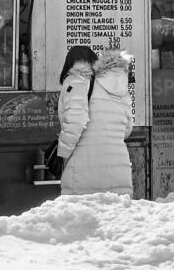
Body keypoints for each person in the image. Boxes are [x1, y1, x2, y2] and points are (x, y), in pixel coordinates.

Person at [56, 46, 134, 196]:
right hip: (119, 171)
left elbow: (76, 121)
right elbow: (127, 129)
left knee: (83, 217)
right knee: (116, 217)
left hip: (84, 171)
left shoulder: (76, 81)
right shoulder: (121, 88)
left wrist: (64, 155)